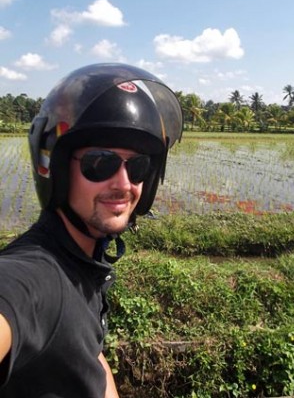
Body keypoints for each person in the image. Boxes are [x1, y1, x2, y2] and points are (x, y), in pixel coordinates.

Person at [0, 63, 183, 397]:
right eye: (100, 162)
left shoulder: (85, 262)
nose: (125, 185)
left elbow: (91, 355)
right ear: (57, 169)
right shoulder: (39, 276)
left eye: (139, 166)